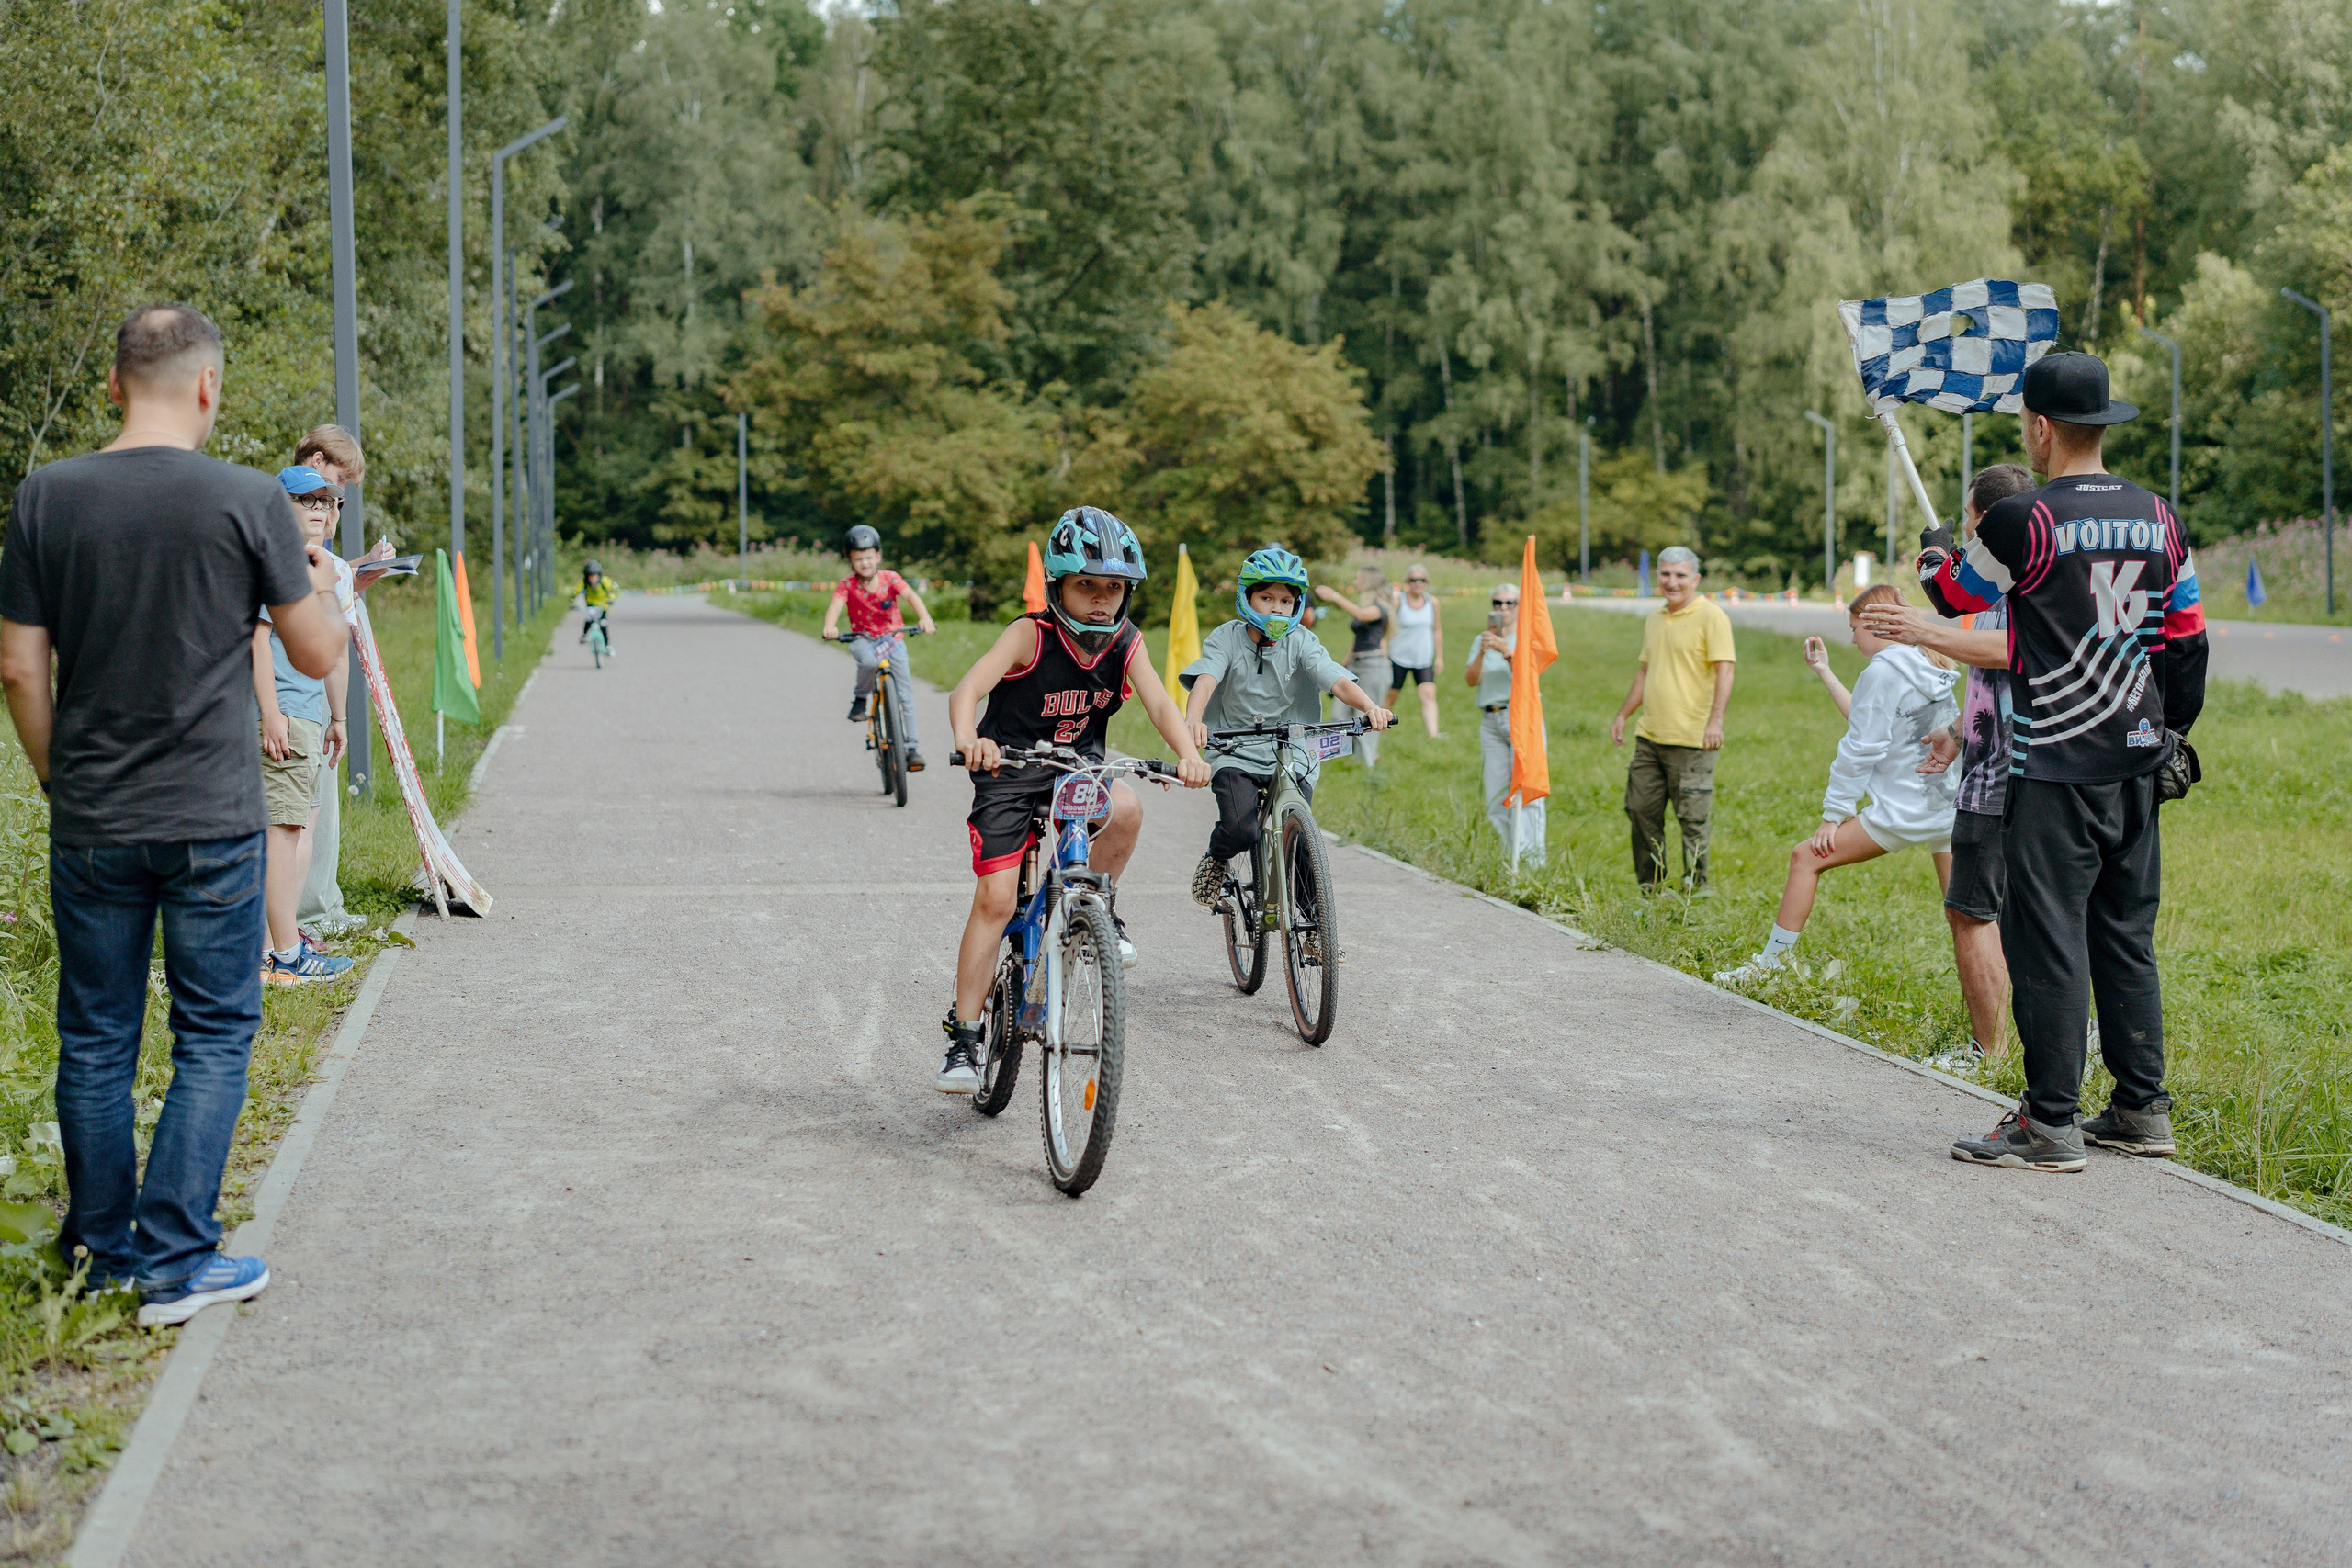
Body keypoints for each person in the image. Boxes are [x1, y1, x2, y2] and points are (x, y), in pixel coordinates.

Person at [0, 301, 345, 1326]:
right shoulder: (246, 501)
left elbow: (20, 666)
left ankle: (102, 1253)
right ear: (208, 387)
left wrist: (63, 776)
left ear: (115, 385)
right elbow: (315, 655)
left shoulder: (45, 498)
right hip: (212, 817)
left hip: (95, 814)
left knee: (97, 1036)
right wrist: (319, 582)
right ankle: (177, 1261)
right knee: (213, 1030)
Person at [1919, 352, 2208, 1173]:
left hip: (2052, 765)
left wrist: (1937, 551)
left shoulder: (2025, 520)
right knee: (2124, 934)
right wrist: (2168, 733)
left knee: (2047, 939)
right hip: (2137, 758)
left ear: (2041, 429)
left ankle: (2050, 1122)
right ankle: (2142, 1108)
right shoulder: (2162, 516)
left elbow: (1957, 598)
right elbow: (2186, 643)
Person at [941, 509, 1209, 1091]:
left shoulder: (1125, 641)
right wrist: (970, 741)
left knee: (1129, 807)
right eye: (1086, 584)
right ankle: (963, 1039)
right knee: (995, 898)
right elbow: (968, 689)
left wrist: (1187, 753)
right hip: (1011, 769)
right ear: (1059, 584)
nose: (1100, 600)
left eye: (1113, 588)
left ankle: (1095, 908)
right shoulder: (1029, 634)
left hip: (1076, 770)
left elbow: (1162, 705)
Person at [1853, 464, 2039, 1064]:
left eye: (1970, 517)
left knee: (1972, 910)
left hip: (2009, 770)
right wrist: (1958, 730)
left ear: (1988, 518)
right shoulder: (2024, 565)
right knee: (2035, 909)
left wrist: (1922, 626)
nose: (1965, 529)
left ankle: (1991, 1052)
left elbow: (2017, 652)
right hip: (1999, 752)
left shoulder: (2018, 573)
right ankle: (2067, 1043)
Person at [1714, 582, 1957, 981]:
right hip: (1946, 807)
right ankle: (2046, 1011)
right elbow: (1870, 721)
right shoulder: (1926, 663)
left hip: (1905, 810)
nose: (1852, 637)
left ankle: (1768, 969)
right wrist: (1824, 672)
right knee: (1970, 920)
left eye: (1855, 628)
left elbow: (1861, 747)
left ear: (1876, 626)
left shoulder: (1882, 671)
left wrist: (1835, 815)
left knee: (1805, 857)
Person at [1183, 547, 1394, 909]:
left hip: (1292, 749)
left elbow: (1334, 678)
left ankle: (1313, 926)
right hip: (1234, 749)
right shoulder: (1226, 637)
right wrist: (1193, 719)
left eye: (1286, 600)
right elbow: (1207, 678)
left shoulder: (1301, 641)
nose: (1277, 607)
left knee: (1299, 838)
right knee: (1241, 828)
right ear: (1247, 597)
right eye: (1267, 598)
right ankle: (1218, 857)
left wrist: (1371, 707)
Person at [254, 468, 356, 986]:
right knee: (280, 835)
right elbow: (256, 640)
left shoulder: (311, 564)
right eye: (306, 500)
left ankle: (276, 950)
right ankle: (281, 955)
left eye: (328, 501)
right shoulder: (277, 562)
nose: (319, 509)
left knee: (292, 832)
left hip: (307, 716)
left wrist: (334, 717)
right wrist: (271, 712)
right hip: (286, 719)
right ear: (281, 505)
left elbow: (330, 653)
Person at [1610, 547, 1735, 892]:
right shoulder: (1655, 618)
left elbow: (1725, 671)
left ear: (1695, 579)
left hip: (1693, 739)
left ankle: (1696, 891)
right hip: (1650, 737)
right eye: (1665, 574)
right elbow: (1645, 671)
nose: (1672, 582)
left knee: (1692, 820)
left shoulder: (1712, 617)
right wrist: (1623, 714)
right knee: (1639, 811)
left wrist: (1716, 721)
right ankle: (1651, 887)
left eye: (1680, 575)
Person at [290, 425, 370, 942]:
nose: (333, 503)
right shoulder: (292, 525)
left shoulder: (297, 522)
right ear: (318, 461)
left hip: (299, 697)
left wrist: (352, 575)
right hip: (300, 696)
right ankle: (299, 921)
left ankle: (312, 908)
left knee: (313, 809)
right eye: (333, 488)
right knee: (299, 817)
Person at [821, 525, 936, 771]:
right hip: (862, 638)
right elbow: (835, 606)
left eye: (869, 558)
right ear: (850, 560)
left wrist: (924, 618)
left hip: (891, 639)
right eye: (858, 559)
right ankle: (860, 699)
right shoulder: (847, 585)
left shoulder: (891, 578)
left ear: (878, 557)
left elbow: (912, 597)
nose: (864, 563)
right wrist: (829, 626)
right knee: (870, 662)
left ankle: (911, 748)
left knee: (905, 694)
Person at [1465, 581, 1544, 863]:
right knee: (1496, 794)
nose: (1503, 609)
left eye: (1510, 603)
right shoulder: (1482, 638)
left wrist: (1507, 651)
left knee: (1527, 791)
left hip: (1520, 717)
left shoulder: (1529, 636)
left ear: (1520, 607)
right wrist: (1483, 651)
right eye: (1497, 603)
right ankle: (1507, 856)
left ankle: (1532, 862)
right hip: (1491, 717)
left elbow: (1531, 678)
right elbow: (1471, 680)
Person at [1314, 566, 1391, 769]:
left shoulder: (1380, 608)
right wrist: (1343, 666)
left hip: (1373, 666)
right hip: (1356, 663)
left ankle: (1368, 765)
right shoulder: (1365, 607)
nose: (1355, 583)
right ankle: (1353, 759)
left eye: (1358, 579)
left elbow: (1362, 615)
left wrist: (1334, 596)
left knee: (1365, 716)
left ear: (1368, 582)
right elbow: (1357, 639)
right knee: (1339, 715)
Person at [1384, 564, 1443, 738]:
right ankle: (1378, 729)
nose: (1418, 583)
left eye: (1422, 580)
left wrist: (1439, 657)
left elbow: (1437, 629)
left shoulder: (1432, 603)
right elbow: (1386, 629)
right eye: (1414, 580)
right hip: (1398, 657)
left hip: (1423, 658)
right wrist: (1385, 653)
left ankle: (1434, 734)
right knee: (1391, 696)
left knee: (1428, 694)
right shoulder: (1398, 601)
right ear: (1407, 582)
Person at [579, 559, 618, 653]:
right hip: (591, 605)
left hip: (602, 606)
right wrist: (572, 602)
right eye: (590, 576)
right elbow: (575, 591)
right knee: (589, 620)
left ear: (599, 575)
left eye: (594, 576)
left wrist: (611, 598)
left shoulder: (604, 581)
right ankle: (584, 635)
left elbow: (614, 589)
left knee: (603, 624)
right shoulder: (584, 583)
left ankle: (607, 645)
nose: (592, 579)